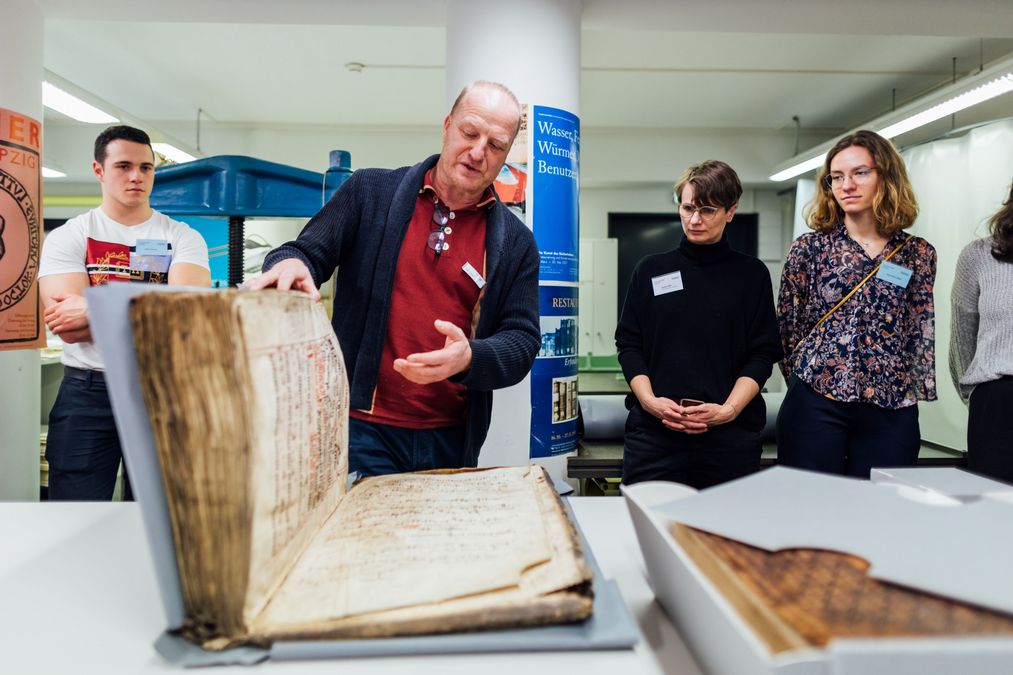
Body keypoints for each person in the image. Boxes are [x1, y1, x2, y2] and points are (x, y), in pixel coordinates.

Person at [248, 81, 539, 476]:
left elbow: (522, 341)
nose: (477, 152)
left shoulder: (516, 242)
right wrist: (289, 263)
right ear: (448, 125)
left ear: (505, 155)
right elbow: (304, 253)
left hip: (452, 438)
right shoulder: (369, 192)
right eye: (470, 133)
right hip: (361, 429)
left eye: (495, 145)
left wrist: (470, 356)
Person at [39, 125, 211, 500]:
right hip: (87, 392)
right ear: (99, 170)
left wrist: (94, 306)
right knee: (76, 514)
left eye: (146, 168)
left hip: (161, 388)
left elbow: (187, 318)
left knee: (162, 518)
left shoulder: (184, 237)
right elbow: (67, 327)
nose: (137, 176)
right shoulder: (70, 236)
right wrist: (158, 305)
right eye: (123, 166)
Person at [776, 130, 936, 478]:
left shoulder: (917, 254)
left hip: (890, 403)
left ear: (886, 176)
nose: (846, 184)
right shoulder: (809, 250)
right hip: (817, 399)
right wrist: (820, 373)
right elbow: (788, 331)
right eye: (837, 176)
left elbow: (917, 330)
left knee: (884, 512)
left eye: (860, 172)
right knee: (810, 510)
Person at [615, 160, 783, 489]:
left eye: (707, 210)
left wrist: (729, 410)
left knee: (725, 535)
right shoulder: (650, 270)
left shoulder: (751, 275)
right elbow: (629, 344)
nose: (694, 219)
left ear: (730, 211)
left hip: (728, 440)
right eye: (687, 207)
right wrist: (650, 402)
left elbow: (763, 354)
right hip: (655, 438)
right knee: (647, 531)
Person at [950, 181, 1013, 484]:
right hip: (997, 403)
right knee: (993, 510)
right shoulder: (979, 255)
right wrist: (974, 395)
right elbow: (962, 336)